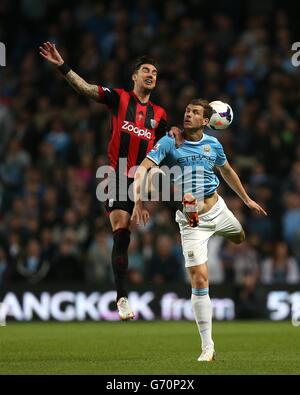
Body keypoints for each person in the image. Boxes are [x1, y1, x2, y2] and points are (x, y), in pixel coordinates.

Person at [39, 42, 177, 320]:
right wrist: (63, 67)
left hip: (144, 177)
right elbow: (87, 89)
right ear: (134, 77)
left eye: (155, 72)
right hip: (116, 176)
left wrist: (175, 134)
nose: (151, 75)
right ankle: (122, 297)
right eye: (146, 71)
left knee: (170, 183)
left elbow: (164, 152)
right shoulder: (120, 98)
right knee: (122, 230)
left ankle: (196, 214)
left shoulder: (159, 115)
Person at [132, 98, 267, 361]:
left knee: (239, 237)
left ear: (206, 121)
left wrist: (247, 200)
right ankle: (208, 347)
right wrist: (139, 200)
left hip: (219, 209)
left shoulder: (213, 144)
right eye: (186, 111)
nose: (188, 115)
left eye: (194, 113)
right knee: (199, 279)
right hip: (192, 221)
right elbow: (144, 168)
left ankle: (230, 231)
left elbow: (227, 171)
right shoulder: (170, 141)